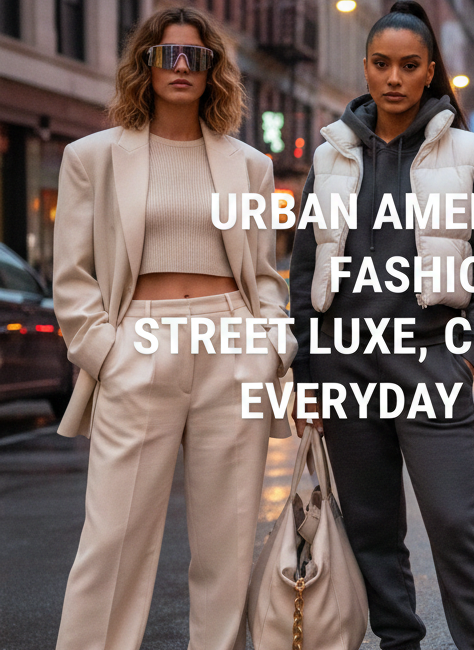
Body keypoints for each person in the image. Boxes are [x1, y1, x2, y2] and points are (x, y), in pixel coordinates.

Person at [51, 7, 295, 649]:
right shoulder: (92, 158)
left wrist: (270, 345)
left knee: (226, 543)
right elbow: (73, 276)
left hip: (231, 348)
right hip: (139, 344)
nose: (181, 68)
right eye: (168, 55)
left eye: (195, 56)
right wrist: (106, 352)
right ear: (146, 65)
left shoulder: (250, 167)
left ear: (213, 68)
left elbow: (265, 274)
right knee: (113, 541)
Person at [288, 2, 474, 649]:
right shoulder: (330, 157)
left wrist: (461, 362)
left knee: (453, 523)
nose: (393, 77)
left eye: (409, 65)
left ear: (429, 72)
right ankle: (398, 642)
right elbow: (305, 277)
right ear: (366, 68)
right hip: (345, 368)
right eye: (382, 63)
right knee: (370, 529)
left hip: (430, 363)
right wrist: (307, 373)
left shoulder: (466, 153)